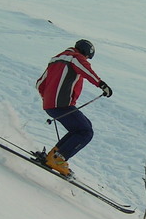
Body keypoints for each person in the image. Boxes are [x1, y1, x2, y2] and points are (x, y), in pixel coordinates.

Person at [35, 39, 112, 176]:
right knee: (86, 131)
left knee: (80, 128)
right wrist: (101, 84)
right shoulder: (75, 58)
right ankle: (58, 159)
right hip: (62, 104)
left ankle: (54, 156)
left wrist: (47, 98)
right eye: (87, 57)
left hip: (50, 105)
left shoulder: (55, 60)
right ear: (85, 52)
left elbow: (40, 83)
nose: (86, 59)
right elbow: (85, 69)